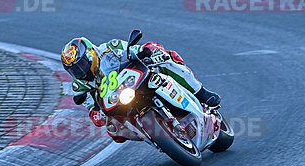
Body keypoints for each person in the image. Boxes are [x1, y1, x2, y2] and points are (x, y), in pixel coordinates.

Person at [60, 37, 221, 142]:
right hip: (119, 101)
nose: (80, 71)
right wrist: (97, 114)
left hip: (137, 79)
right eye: (74, 70)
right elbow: (90, 107)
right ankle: (153, 136)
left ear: (91, 54)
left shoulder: (110, 49)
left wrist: (151, 53)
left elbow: (135, 50)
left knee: (166, 58)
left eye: (81, 65)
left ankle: (201, 93)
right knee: (112, 130)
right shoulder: (80, 84)